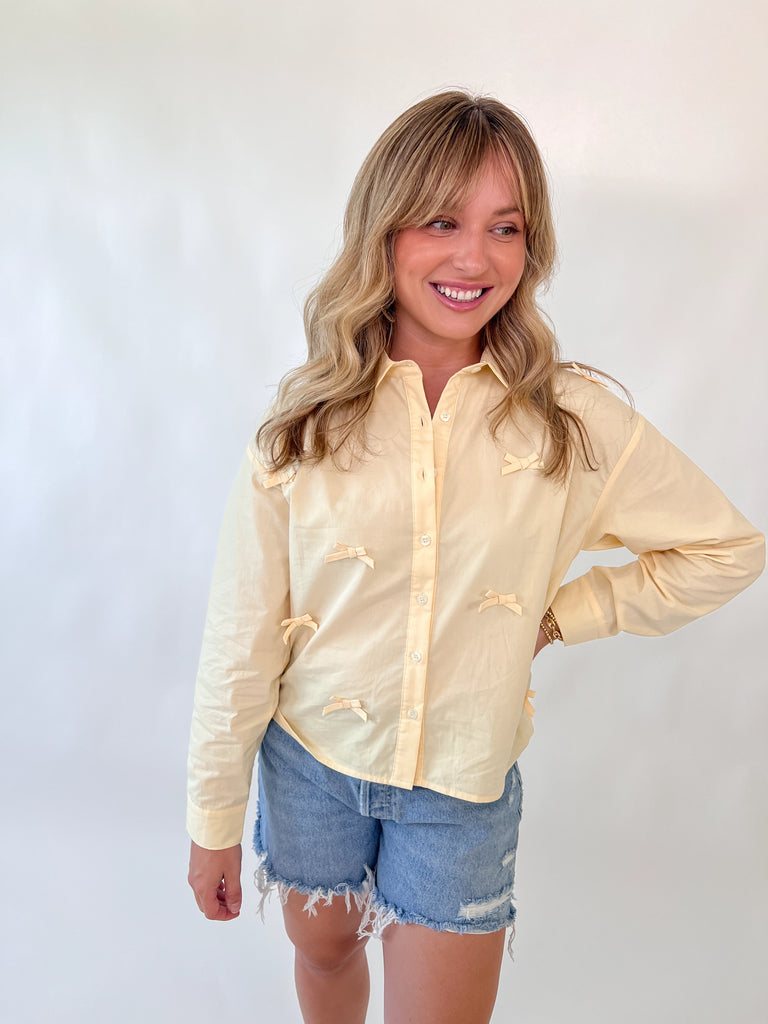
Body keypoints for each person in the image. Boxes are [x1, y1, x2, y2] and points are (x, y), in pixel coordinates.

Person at [186, 91, 764, 1024]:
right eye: (442, 221)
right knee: (325, 956)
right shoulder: (307, 420)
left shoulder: (571, 421)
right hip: (308, 766)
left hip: (462, 788)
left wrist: (563, 615)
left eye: (507, 228)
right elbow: (239, 636)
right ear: (384, 230)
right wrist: (213, 823)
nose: (474, 258)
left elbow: (726, 547)